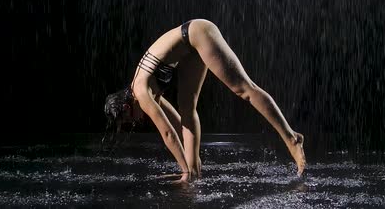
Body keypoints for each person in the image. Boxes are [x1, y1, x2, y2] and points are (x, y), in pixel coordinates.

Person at [123, 19, 305, 182]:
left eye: (129, 119)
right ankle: (194, 172)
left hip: (196, 32)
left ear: (126, 106)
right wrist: (188, 167)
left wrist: (183, 169)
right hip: (188, 49)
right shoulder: (143, 90)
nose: (136, 121)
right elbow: (177, 123)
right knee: (187, 107)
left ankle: (291, 137)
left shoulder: (139, 91)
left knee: (244, 89)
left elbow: (168, 134)